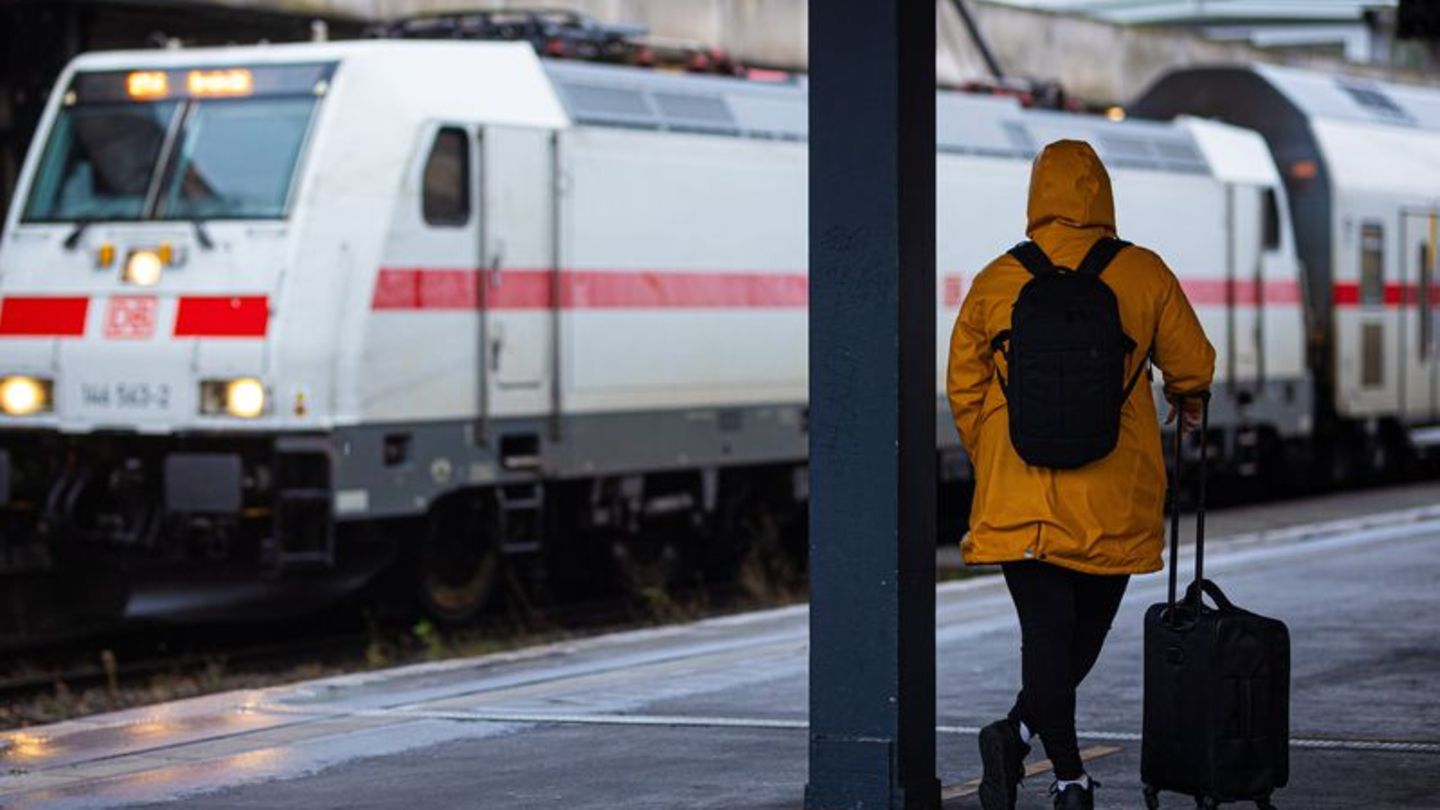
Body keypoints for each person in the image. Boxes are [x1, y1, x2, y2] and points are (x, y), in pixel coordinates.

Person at [946, 140, 1215, 810]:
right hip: (1113, 495)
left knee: (1043, 634)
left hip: (1021, 497)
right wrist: (1189, 403)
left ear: (1036, 197)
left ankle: (1019, 740)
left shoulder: (997, 280)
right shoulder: (1144, 274)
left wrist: (998, 459)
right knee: (1078, 639)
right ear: (1103, 195)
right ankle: (1065, 774)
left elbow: (963, 388)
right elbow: (1193, 366)